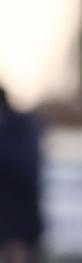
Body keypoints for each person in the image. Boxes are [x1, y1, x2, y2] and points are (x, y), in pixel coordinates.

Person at [0, 86, 44, 253]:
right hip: (16, 224)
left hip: (17, 226)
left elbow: (21, 172)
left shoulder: (21, 129)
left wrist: (13, 234)